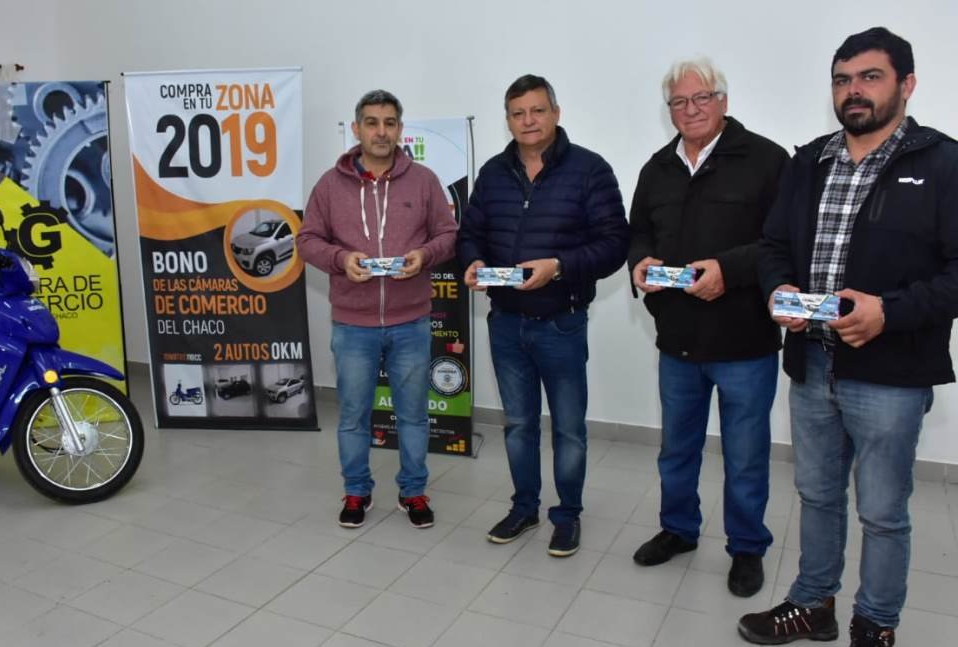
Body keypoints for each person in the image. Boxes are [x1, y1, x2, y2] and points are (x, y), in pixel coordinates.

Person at [737, 27, 958, 647]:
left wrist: (889, 312)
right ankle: (814, 603)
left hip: (891, 371)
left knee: (883, 512)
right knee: (816, 493)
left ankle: (875, 628)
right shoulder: (809, 160)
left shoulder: (943, 163)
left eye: (869, 77)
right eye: (842, 79)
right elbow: (773, 246)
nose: (853, 90)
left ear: (906, 84)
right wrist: (778, 289)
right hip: (811, 361)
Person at [627, 58, 787, 597]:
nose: (690, 109)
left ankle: (747, 547)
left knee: (745, 456)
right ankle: (678, 529)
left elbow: (783, 243)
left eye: (701, 98)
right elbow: (638, 233)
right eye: (679, 101)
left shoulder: (767, 160)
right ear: (669, 109)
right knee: (676, 449)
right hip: (677, 340)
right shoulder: (656, 168)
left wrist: (729, 270)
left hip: (744, 342)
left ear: (723, 101)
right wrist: (640, 262)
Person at [456, 74, 629, 557]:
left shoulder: (590, 170)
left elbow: (615, 244)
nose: (528, 121)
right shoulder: (493, 173)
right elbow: (470, 233)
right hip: (505, 322)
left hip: (561, 322)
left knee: (569, 429)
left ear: (556, 113)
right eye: (518, 113)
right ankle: (524, 508)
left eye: (537, 110)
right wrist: (472, 260)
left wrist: (559, 267)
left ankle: (567, 515)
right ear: (508, 120)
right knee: (518, 424)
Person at [296, 89, 457, 529]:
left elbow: (448, 235)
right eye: (372, 122)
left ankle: (413, 491)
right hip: (353, 325)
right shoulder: (330, 185)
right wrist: (340, 259)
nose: (381, 131)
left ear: (400, 129)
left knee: (413, 415)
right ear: (357, 129)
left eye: (389, 123)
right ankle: (356, 491)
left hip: (411, 321)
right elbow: (307, 240)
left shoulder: (423, 180)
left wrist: (425, 255)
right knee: (352, 417)